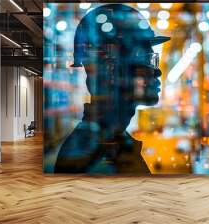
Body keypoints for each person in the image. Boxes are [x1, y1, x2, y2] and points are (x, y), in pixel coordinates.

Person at [54, 4, 170, 173]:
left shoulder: (113, 142)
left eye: (152, 60)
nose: (157, 72)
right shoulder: (98, 158)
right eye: (145, 61)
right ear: (112, 72)